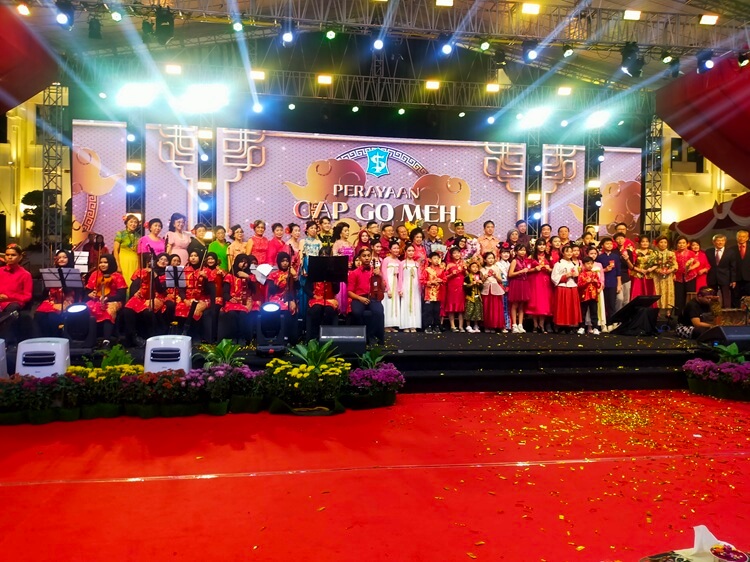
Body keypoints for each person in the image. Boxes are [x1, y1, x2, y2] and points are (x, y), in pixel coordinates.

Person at [123, 252, 170, 347]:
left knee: (147, 312)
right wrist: (135, 293)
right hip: (142, 296)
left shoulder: (167, 275)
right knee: (127, 310)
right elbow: (134, 286)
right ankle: (133, 336)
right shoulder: (142, 271)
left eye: (166, 260)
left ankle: (151, 338)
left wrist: (155, 276)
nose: (163, 261)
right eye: (161, 259)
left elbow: (161, 290)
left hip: (157, 297)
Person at [34, 249, 76, 337]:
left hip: (67, 301)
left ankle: (55, 338)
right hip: (53, 300)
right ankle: (44, 338)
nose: (61, 259)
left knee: (52, 316)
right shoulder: (52, 272)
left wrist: (63, 281)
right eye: (59, 257)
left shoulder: (73, 273)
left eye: (64, 257)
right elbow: (46, 292)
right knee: (39, 315)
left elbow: (74, 292)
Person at [85, 254, 127, 341]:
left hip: (114, 300)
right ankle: (90, 338)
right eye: (100, 262)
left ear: (111, 263)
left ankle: (106, 340)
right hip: (96, 300)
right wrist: (90, 294)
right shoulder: (95, 274)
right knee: (86, 308)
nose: (102, 265)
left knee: (109, 310)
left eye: (105, 262)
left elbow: (122, 294)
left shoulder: (117, 276)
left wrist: (108, 298)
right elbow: (87, 291)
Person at [347, 248, 385, 345]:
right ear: (360, 258)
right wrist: (360, 298)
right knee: (357, 312)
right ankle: (361, 335)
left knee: (379, 311)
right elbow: (349, 292)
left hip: (373, 297)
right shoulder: (354, 273)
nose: (367, 258)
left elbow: (383, 288)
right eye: (364, 256)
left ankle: (371, 335)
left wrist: (380, 276)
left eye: (368, 255)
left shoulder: (375, 272)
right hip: (359, 298)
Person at [218, 253, 257, 343]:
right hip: (233, 301)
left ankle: (243, 338)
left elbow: (254, 290)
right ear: (236, 262)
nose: (244, 264)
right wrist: (229, 298)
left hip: (244, 301)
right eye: (241, 262)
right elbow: (225, 292)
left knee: (243, 314)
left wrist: (247, 277)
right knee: (232, 314)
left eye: (246, 262)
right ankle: (233, 338)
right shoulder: (229, 276)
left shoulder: (250, 276)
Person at [174, 250, 212, 341]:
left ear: (200, 257)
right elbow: (181, 288)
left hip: (202, 297)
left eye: (196, 256)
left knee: (196, 310)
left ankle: (195, 336)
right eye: (191, 256)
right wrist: (185, 299)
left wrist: (206, 279)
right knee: (181, 307)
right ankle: (183, 334)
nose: (193, 258)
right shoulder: (184, 270)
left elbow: (209, 291)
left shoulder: (206, 271)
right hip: (187, 297)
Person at [0, 244, 33, 344]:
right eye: (7, 255)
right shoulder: (0, 271)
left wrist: (8, 297)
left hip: (13, 303)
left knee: (11, 310)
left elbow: (27, 296)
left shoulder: (25, 274)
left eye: (13, 255)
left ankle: (6, 343)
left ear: (20, 257)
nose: (9, 257)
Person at [551, 245, 582, 333]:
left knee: (571, 307)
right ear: (563, 253)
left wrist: (576, 276)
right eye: (567, 251)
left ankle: (570, 325)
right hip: (562, 287)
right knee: (562, 307)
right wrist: (565, 276)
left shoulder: (574, 264)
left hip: (572, 286)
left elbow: (578, 277)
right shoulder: (558, 264)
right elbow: (554, 277)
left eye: (571, 251)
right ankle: (560, 325)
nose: (569, 253)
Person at [595, 237, 623, 330]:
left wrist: (619, 284)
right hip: (603, 283)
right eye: (607, 244)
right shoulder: (599, 257)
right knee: (603, 304)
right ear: (602, 245)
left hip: (613, 282)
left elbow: (618, 271)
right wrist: (605, 270)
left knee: (612, 303)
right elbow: (597, 270)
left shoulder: (615, 256)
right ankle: (605, 323)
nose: (609, 245)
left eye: (611, 244)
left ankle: (612, 322)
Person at [527, 239, 553, 333]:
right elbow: (527, 269)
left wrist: (549, 269)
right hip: (534, 280)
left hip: (545, 281)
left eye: (543, 245)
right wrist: (534, 269)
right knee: (535, 301)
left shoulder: (549, 257)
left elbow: (554, 270)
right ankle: (535, 325)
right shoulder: (531, 256)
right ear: (536, 246)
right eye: (539, 245)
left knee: (544, 302)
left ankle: (541, 325)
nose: (541, 246)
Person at [507, 243, 532, 333]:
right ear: (516, 252)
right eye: (520, 250)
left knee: (522, 305)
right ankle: (514, 325)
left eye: (524, 250)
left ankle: (520, 324)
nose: (523, 252)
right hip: (516, 283)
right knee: (515, 304)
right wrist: (521, 271)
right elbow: (510, 274)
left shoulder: (525, 261)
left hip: (524, 283)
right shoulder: (514, 261)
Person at [332, 222, 355, 314]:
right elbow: (334, 257)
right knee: (341, 291)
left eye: (348, 230)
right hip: (340, 271)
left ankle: (347, 311)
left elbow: (354, 257)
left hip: (350, 270)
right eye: (345, 231)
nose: (347, 232)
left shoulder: (350, 244)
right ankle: (339, 311)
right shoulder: (337, 243)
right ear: (340, 232)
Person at [398, 243, 422, 332]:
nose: (411, 252)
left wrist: (420, 288)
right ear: (405, 252)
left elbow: (419, 277)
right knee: (406, 304)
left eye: (412, 251)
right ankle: (406, 325)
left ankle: (414, 325)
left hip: (415, 287)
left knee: (415, 305)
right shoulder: (402, 263)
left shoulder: (417, 264)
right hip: (405, 286)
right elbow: (400, 277)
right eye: (409, 251)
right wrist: (400, 289)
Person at [705, 233, 733, 308]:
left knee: (726, 296)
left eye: (722, 241)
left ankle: (727, 312)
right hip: (712, 277)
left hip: (725, 277)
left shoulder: (730, 252)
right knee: (712, 296)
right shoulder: (708, 251)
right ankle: (714, 311)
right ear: (714, 242)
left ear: (725, 242)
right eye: (718, 241)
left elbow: (733, 267)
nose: (720, 242)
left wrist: (733, 280)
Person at [421, 251, 446, 333]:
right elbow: (422, 280)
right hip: (429, 294)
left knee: (436, 311)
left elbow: (445, 279)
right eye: (434, 258)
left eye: (437, 258)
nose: (436, 260)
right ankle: (428, 326)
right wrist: (431, 282)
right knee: (428, 311)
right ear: (430, 260)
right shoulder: (427, 270)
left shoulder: (441, 270)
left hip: (438, 294)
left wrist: (441, 280)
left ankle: (436, 326)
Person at [480, 252, 505, 333]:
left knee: (496, 308)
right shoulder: (482, 269)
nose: (491, 260)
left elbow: (500, 281)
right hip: (486, 290)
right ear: (485, 260)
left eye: (492, 258)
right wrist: (484, 277)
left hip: (495, 289)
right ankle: (487, 326)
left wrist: (495, 275)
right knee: (487, 308)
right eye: (489, 258)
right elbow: (481, 281)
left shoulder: (496, 268)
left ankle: (496, 325)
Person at [652, 235, 676, 318]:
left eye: (665, 242)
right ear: (657, 244)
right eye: (661, 242)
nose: (663, 244)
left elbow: (675, 265)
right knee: (657, 292)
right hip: (657, 277)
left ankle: (668, 311)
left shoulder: (671, 253)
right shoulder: (654, 254)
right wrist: (658, 270)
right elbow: (651, 265)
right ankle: (657, 311)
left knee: (668, 292)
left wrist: (671, 270)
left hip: (668, 277)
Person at [673, 235, 698, 314]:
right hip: (678, 278)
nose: (681, 245)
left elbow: (697, 263)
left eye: (683, 243)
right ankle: (678, 315)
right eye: (679, 243)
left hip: (690, 277)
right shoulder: (673, 253)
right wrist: (673, 273)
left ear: (687, 244)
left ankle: (691, 313)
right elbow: (671, 265)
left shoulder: (691, 253)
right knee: (679, 296)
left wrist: (691, 268)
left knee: (690, 295)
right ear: (677, 244)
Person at [113, 214, 140, 288]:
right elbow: (115, 250)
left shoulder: (138, 236)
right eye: (131, 222)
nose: (133, 224)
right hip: (123, 261)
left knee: (133, 282)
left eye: (135, 222)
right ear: (126, 223)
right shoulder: (120, 234)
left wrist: (139, 266)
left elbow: (139, 253)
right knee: (124, 281)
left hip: (134, 262)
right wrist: (118, 265)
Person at [577, 256, 602, 335]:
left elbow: (599, 284)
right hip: (584, 296)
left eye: (591, 264)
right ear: (584, 265)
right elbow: (579, 285)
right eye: (588, 264)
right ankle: (582, 327)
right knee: (583, 312)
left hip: (593, 296)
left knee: (594, 312)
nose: (590, 265)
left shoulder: (595, 274)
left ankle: (595, 328)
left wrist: (596, 282)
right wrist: (586, 282)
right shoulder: (582, 274)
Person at [444, 246, 466, 332]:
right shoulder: (449, 265)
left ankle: (461, 326)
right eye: (454, 253)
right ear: (451, 255)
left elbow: (468, 275)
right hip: (451, 287)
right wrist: (451, 274)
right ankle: (452, 326)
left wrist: (465, 270)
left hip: (461, 287)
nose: (457, 254)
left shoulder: (464, 263)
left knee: (461, 307)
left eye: (458, 253)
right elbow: (445, 277)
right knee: (451, 306)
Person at [381, 241, 402, 332]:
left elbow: (400, 277)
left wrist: (400, 288)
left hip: (395, 284)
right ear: (390, 249)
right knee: (387, 304)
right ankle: (386, 325)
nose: (396, 250)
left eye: (397, 248)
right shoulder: (386, 260)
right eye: (394, 248)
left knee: (394, 305)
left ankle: (392, 324)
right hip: (388, 284)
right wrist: (387, 288)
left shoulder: (399, 262)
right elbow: (383, 274)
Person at [630, 235, 657, 302]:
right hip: (637, 276)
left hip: (649, 276)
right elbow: (632, 265)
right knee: (637, 293)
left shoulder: (652, 252)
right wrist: (640, 270)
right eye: (643, 241)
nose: (645, 243)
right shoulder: (635, 252)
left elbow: (656, 264)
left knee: (649, 294)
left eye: (647, 241)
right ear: (639, 243)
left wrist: (651, 269)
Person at [728, 230, 750, 307]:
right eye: (739, 236)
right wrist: (732, 279)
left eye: (743, 236)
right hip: (736, 279)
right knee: (735, 298)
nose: (741, 238)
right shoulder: (730, 249)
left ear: (747, 238)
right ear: (736, 238)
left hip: (748, 278)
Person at [613, 232, 633, 313]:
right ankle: (617, 316)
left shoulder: (629, 252)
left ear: (625, 240)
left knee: (626, 300)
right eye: (618, 239)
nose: (620, 240)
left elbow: (631, 267)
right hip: (616, 278)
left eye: (622, 238)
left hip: (626, 278)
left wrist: (627, 259)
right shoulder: (613, 252)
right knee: (619, 299)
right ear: (615, 241)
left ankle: (625, 317)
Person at [463, 260, 483, 333]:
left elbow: (481, 288)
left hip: (478, 296)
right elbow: (465, 287)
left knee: (477, 311)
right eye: (473, 267)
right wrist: (471, 284)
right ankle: (468, 325)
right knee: (469, 311)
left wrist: (480, 284)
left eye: (476, 267)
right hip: (470, 297)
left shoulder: (479, 276)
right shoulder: (467, 277)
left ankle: (476, 325)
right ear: (469, 268)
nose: (475, 268)